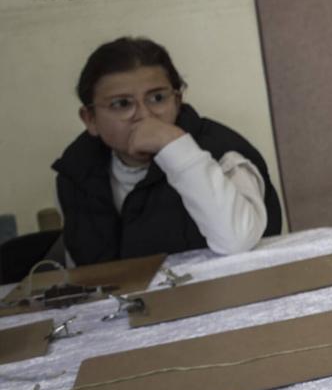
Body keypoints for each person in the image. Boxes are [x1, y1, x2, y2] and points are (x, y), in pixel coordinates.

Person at [55, 37, 281, 265]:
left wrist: (175, 146)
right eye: (122, 104)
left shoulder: (223, 153)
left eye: (157, 98)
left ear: (178, 100)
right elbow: (82, 273)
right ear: (90, 119)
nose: (144, 115)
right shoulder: (76, 172)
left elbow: (237, 242)